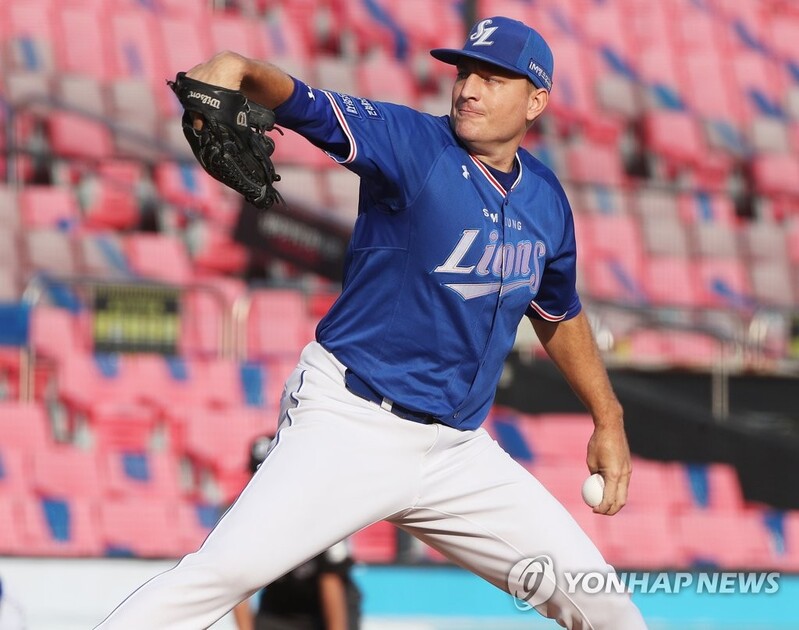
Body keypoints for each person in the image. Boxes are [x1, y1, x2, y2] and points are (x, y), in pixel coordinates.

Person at [96, 16, 647, 629]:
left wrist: (608, 416)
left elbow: (557, 309)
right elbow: (312, 108)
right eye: (465, 72)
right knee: (221, 576)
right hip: (352, 423)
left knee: (604, 605)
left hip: (456, 453)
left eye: (493, 79)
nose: (468, 88)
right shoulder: (414, 146)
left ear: (536, 101)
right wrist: (244, 71)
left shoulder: (546, 199)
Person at [232, 435, 361, 630]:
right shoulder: (242, 519)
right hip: (279, 606)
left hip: (325, 604)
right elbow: (236, 583)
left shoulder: (320, 513)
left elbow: (331, 583)